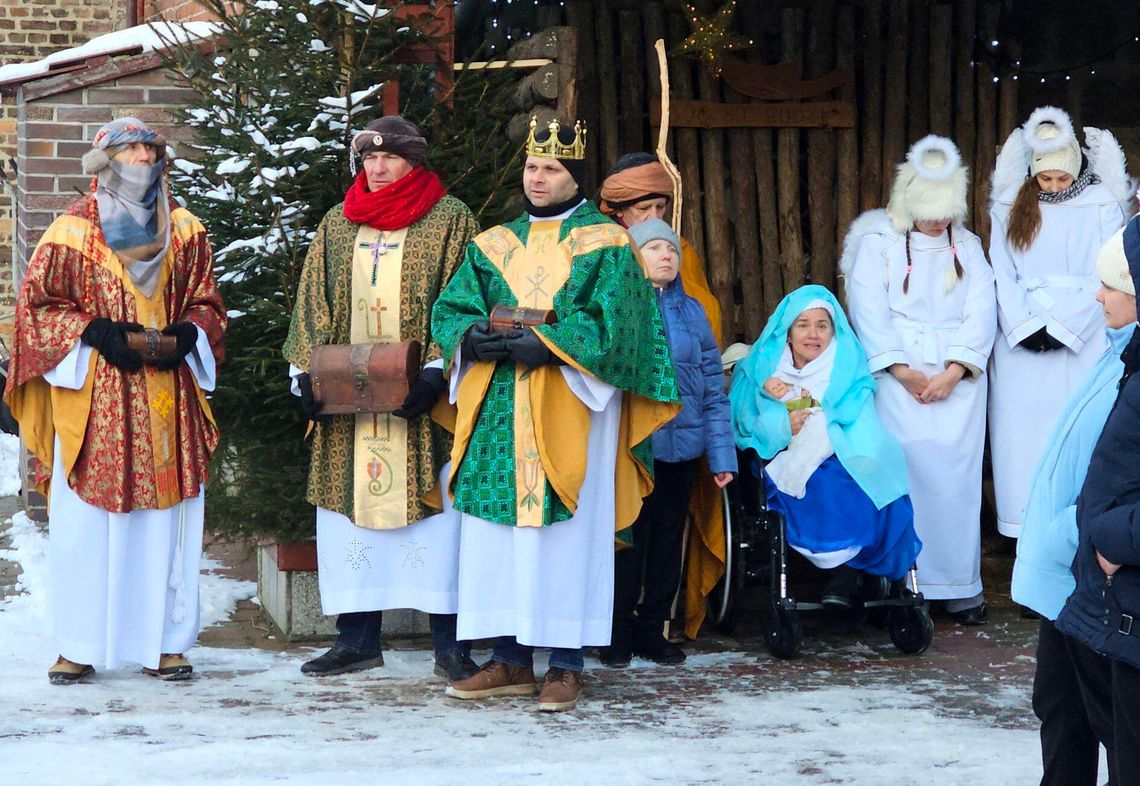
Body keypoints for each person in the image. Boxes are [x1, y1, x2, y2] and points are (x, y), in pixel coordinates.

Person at [431, 118, 679, 712]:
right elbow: (451, 307)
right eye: (531, 167)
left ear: (576, 178)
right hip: (498, 408)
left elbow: (623, 328)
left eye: (551, 169)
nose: (537, 178)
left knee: (569, 535)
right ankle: (510, 659)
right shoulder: (493, 242)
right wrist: (470, 336)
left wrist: (550, 345)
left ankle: (566, 663)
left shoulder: (608, 243)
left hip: (573, 407)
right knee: (500, 538)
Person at [4, 117, 226, 684]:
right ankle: (78, 645)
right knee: (88, 527)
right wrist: (94, 332)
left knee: (165, 526)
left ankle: (164, 644)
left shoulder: (185, 228)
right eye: (130, 151)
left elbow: (206, 301)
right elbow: (36, 310)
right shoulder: (72, 231)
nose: (142, 160)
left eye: (150, 151)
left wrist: (189, 335)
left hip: (168, 398)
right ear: (104, 162)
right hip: (96, 397)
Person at [282, 116, 479, 680]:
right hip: (349, 408)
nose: (378, 167)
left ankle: (449, 646)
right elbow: (312, 299)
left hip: (423, 403)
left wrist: (437, 372)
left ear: (413, 161)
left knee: (438, 520)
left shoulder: (450, 218)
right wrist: (306, 373)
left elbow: (463, 297)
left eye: (389, 156)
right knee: (350, 521)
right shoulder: (339, 222)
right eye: (368, 157)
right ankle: (357, 640)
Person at [844, 135, 997, 625]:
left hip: (957, 381)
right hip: (898, 376)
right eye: (928, 214)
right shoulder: (879, 241)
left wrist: (955, 371)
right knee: (904, 475)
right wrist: (901, 370)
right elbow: (867, 307)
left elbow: (982, 309)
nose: (936, 223)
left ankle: (959, 585)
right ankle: (905, 582)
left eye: (944, 214)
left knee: (956, 483)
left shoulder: (967, 245)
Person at [1011, 227, 1138, 786]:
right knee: (1060, 712)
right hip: (1066, 572)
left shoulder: (1128, 369)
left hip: (1088, 571)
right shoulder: (1116, 355)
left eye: (1111, 286)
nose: (1097, 295)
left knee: (1110, 723)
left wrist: (1077, 537)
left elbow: (1111, 479)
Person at [600, 151, 728, 640]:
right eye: (652, 244)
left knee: (668, 536)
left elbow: (711, 384)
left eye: (661, 210)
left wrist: (720, 454)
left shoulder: (692, 309)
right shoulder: (615, 297)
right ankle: (617, 629)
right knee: (627, 535)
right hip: (632, 444)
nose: (665, 252)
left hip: (683, 444)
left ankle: (654, 627)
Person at [988, 106, 1133, 538]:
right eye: (1045, 179)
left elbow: (1104, 272)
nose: (1052, 186)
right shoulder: (1011, 206)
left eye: (1061, 178)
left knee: (1075, 432)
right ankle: (1021, 527)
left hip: (1082, 334)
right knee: (1021, 436)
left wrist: (1064, 328)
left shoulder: (1101, 204)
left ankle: (1070, 530)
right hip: (1021, 341)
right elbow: (1002, 270)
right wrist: (1024, 326)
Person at [730, 285, 921, 608]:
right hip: (780, 453)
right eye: (803, 325)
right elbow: (743, 421)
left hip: (842, 447)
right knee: (826, 481)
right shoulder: (762, 369)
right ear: (788, 332)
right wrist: (782, 426)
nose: (813, 334)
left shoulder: (848, 370)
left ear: (834, 331)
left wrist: (831, 432)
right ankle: (846, 571)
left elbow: (861, 422)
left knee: (870, 474)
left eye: (822, 325)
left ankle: (857, 570)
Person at [1054, 216, 1140, 780]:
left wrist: (1113, 538)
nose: (1097, 296)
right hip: (1110, 593)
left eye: (1111, 285)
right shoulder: (1127, 360)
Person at [599, 151, 722, 348]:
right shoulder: (600, 251)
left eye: (660, 207)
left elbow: (708, 316)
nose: (654, 217)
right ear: (619, 210)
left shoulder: (680, 248)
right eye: (643, 208)